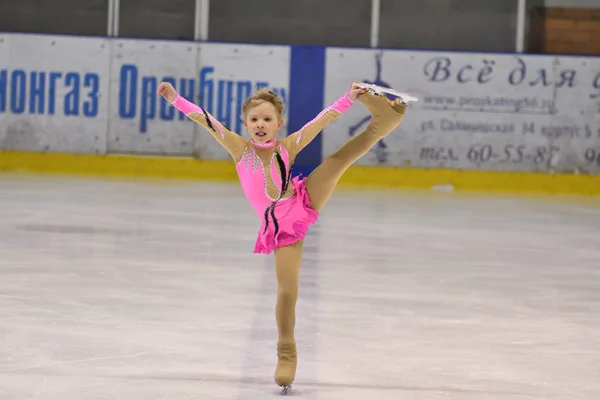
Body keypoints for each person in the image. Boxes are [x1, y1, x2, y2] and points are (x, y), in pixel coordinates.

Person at [158, 81, 408, 392]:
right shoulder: (239, 148)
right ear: (245, 123)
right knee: (287, 291)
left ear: (279, 123)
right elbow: (206, 120)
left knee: (334, 163)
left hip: (301, 201)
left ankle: (383, 122)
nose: (260, 125)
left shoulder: (286, 147)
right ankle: (286, 351)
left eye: (267, 119)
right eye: (254, 120)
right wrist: (175, 99)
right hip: (281, 228)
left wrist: (347, 99)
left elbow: (320, 121)